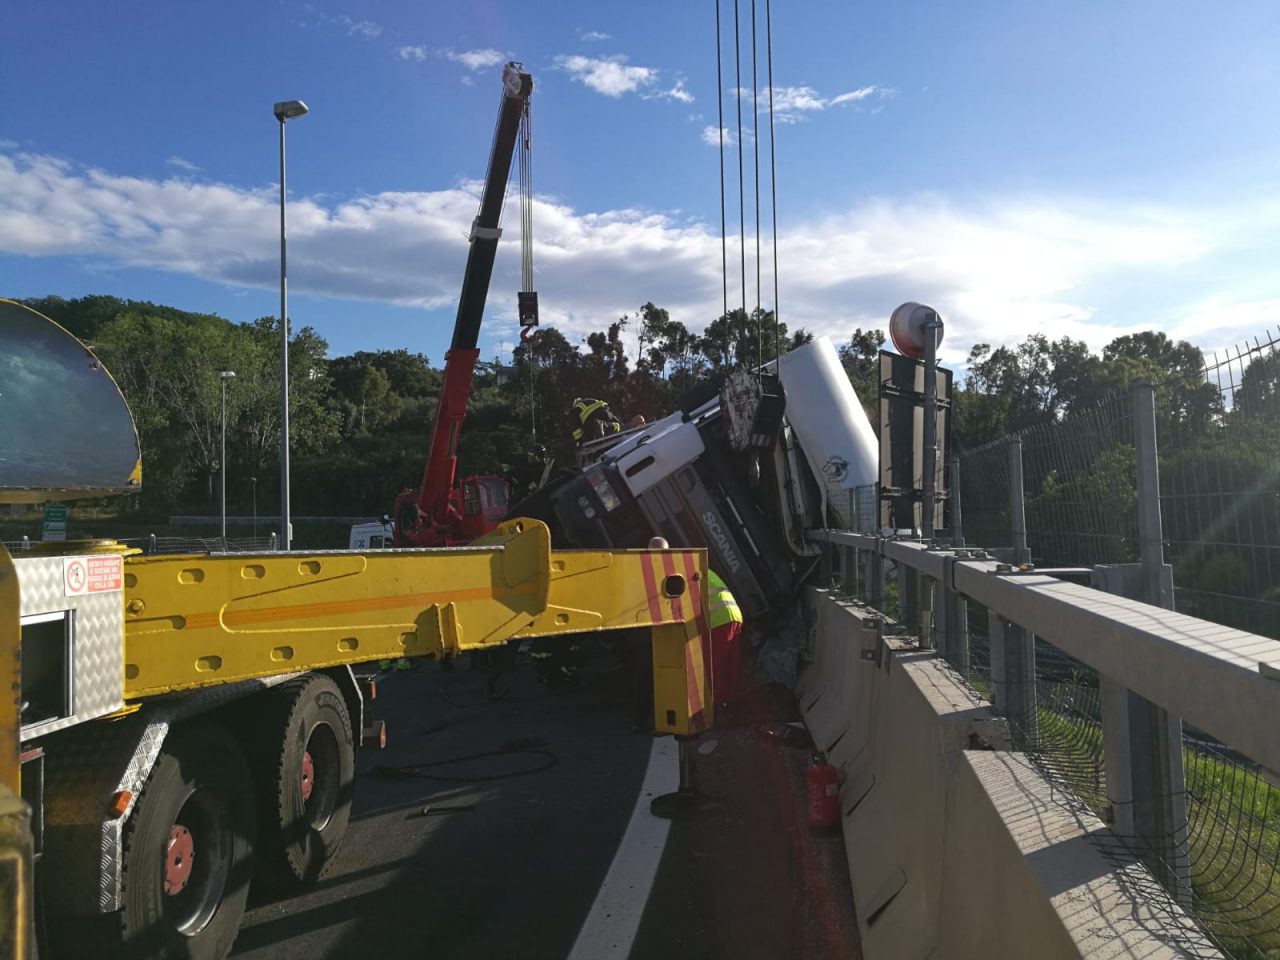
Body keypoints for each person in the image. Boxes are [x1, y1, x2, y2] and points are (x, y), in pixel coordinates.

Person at [706, 568, 743, 707]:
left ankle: (716, 706)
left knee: (716, 665)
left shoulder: (687, 570)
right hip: (734, 615)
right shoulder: (707, 570)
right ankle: (730, 703)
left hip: (720, 619)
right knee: (731, 663)